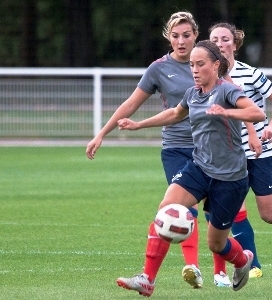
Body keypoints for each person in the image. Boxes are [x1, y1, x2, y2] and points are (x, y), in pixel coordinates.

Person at [114, 40, 266, 297]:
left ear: (216, 65)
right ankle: (147, 279)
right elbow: (175, 114)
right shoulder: (193, 93)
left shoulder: (227, 91)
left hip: (230, 178)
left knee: (216, 244)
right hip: (199, 167)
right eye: (192, 65)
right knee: (166, 208)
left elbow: (257, 114)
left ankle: (242, 261)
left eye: (200, 64)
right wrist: (138, 125)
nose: (194, 70)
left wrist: (228, 114)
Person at [86, 12, 204, 288]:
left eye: (186, 35)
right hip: (176, 148)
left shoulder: (208, 63)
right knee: (177, 206)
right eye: (175, 36)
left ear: (196, 35)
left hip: (209, 148)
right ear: (168, 37)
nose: (181, 40)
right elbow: (130, 104)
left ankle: (240, 260)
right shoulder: (159, 69)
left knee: (221, 221)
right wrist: (102, 133)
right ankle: (186, 269)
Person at [208, 22, 272, 286]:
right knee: (235, 211)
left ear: (235, 44)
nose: (220, 43)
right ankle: (254, 265)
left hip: (262, 152)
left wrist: (271, 127)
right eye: (214, 39)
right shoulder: (207, 76)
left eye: (225, 39)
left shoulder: (250, 73)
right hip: (230, 156)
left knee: (267, 213)